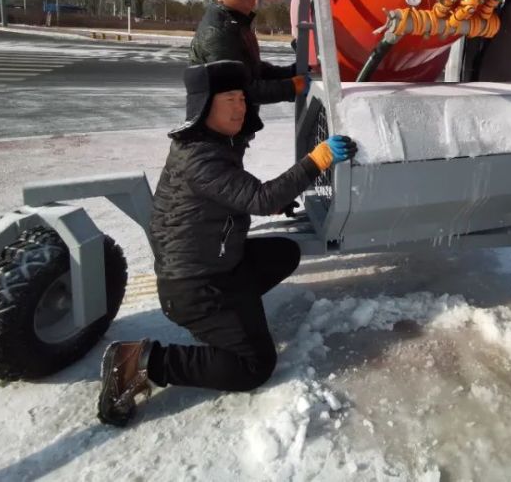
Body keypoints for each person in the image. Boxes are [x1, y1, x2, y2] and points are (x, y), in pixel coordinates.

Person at [96, 60, 357, 427]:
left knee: (284, 253)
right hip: (194, 287)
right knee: (254, 366)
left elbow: (238, 194)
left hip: (213, 264)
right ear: (204, 106)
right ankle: (140, 360)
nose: (241, 107)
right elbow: (260, 198)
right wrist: (317, 160)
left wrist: (275, 198)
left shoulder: (212, 142)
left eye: (243, 99)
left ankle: (236, 313)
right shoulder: (201, 157)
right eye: (230, 99)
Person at [192, 0, 307, 106]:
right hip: (219, 127)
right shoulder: (219, 31)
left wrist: (292, 72)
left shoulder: (236, 22)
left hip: (233, 123)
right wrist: (294, 86)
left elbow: (254, 70)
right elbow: (241, 90)